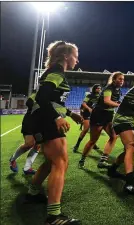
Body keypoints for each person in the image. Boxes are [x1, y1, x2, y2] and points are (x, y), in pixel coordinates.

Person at [28, 40, 83, 225]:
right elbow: (43, 98)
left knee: (52, 160)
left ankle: (33, 192)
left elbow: (52, 100)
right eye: (75, 56)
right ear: (66, 56)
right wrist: (56, 118)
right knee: (61, 163)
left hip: (41, 120)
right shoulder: (57, 72)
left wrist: (70, 114)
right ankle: (54, 217)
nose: (77, 59)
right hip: (46, 121)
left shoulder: (53, 72)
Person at [78, 72, 124, 169]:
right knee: (93, 140)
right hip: (99, 114)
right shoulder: (108, 88)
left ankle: (102, 161)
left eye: (123, 79)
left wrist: (118, 103)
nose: (122, 81)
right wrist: (119, 105)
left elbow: (114, 102)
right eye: (120, 79)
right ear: (114, 79)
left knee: (114, 136)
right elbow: (106, 101)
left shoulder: (118, 90)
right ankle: (82, 159)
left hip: (108, 115)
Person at [9, 90, 40, 175]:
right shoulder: (39, 93)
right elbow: (29, 103)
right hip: (30, 120)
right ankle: (12, 160)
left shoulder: (54, 96)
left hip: (41, 122)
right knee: (29, 144)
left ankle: (27, 168)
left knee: (38, 145)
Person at [73, 84, 101, 153]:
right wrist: (89, 109)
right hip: (87, 114)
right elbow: (83, 103)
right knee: (86, 129)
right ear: (94, 89)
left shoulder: (101, 97)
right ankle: (77, 145)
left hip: (95, 115)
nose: (99, 89)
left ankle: (93, 144)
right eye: (97, 88)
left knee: (94, 130)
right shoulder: (90, 96)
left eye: (100, 88)